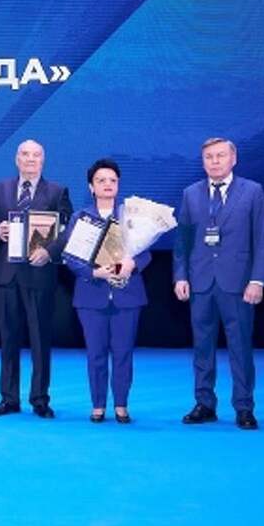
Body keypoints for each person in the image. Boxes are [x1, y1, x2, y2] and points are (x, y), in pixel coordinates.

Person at [174, 138, 264, 430]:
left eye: (220, 156)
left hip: (238, 283)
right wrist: (180, 276)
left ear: (233, 159)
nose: (214, 161)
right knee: (202, 346)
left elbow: (262, 239)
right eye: (209, 157)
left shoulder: (252, 191)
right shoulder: (190, 194)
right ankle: (204, 404)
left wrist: (257, 280)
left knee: (240, 347)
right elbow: (182, 241)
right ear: (203, 161)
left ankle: (244, 407)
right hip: (200, 282)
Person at [0, 139, 72, 418]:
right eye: (25, 154)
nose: (30, 159)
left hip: (39, 274)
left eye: (36, 155)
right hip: (6, 275)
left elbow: (67, 232)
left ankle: (40, 399)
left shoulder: (57, 191)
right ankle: (8, 399)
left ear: (43, 160)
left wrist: (49, 251)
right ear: (16, 159)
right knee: (8, 340)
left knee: (40, 340)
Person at [61, 159, 150, 423]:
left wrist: (133, 264)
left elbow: (146, 253)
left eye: (112, 180)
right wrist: (93, 273)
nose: (107, 184)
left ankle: (121, 404)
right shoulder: (81, 218)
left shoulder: (131, 217)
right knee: (95, 354)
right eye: (101, 180)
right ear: (91, 187)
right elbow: (70, 257)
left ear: (118, 185)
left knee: (124, 353)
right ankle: (98, 405)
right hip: (91, 296)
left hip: (127, 296)